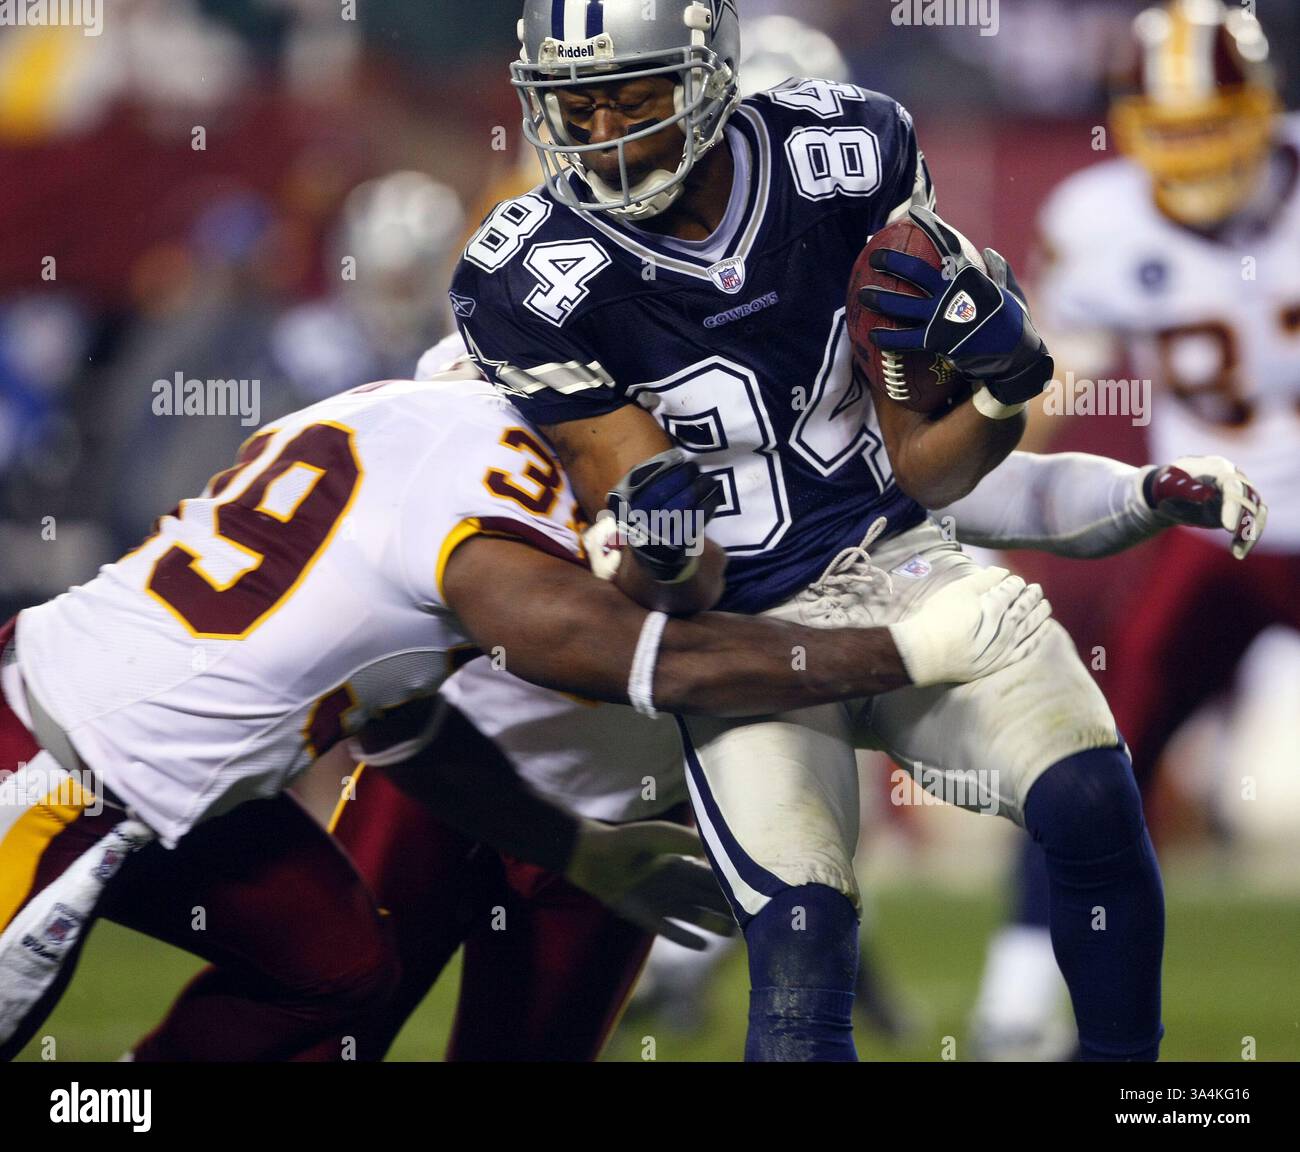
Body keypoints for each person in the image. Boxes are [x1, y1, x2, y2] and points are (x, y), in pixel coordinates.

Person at [446, 0, 1234, 1061]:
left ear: (706, 72)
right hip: (740, 632)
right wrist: (662, 544)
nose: (600, 131)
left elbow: (923, 463)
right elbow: (667, 570)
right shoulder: (526, 278)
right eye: (573, 105)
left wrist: (998, 398)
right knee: (803, 944)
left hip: (898, 564)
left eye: (630, 96)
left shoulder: (848, 157)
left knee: (1091, 790)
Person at [0, 350, 1044, 1060]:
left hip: (132, 750)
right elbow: (640, 660)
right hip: (54, 772)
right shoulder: (497, 483)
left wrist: (575, 849)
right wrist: (907, 649)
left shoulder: (376, 413)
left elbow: (403, 724)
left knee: (338, 969)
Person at [973, 0, 1292, 1059]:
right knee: (1093, 750)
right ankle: (1020, 994)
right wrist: (980, 487)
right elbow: (1061, 372)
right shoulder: (1102, 214)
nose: (1195, 154)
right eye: (1174, 128)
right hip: (1215, 532)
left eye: (1213, 125)